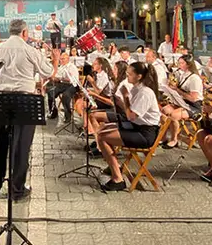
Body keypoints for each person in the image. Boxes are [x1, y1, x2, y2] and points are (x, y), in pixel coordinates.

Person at [0, 19, 57, 201]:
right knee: (20, 146)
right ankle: (17, 189)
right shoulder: (31, 51)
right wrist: (55, 60)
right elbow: (48, 73)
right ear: (24, 33)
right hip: (24, 100)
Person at [95, 62, 161, 192]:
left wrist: (124, 97)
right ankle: (114, 165)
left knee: (103, 138)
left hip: (145, 134)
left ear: (139, 76)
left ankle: (117, 178)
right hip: (136, 126)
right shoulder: (136, 88)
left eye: (130, 74)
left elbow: (131, 115)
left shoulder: (145, 93)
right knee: (102, 130)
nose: (127, 76)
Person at [161, 54, 203, 149]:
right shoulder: (182, 74)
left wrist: (177, 90)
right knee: (164, 110)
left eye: (181, 63)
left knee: (173, 115)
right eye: (178, 63)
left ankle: (174, 139)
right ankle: (163, 137)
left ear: (188, 65)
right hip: (182, 102)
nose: (178, 65)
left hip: (193, 106)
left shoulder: (194, 78)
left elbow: (193, 98)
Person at [46, 52, 79, 124]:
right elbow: (58, 77)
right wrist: (54, 78)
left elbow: (73, 79)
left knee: (66, 95)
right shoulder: (61, 67)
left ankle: (68, 116)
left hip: (73, 85)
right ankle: (53, 112)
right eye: (61, 59)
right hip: (63, 84)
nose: (61, 60)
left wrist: (61, 78)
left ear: (68, 59)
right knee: (50, 92)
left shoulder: (72, 67)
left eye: (63, 59)